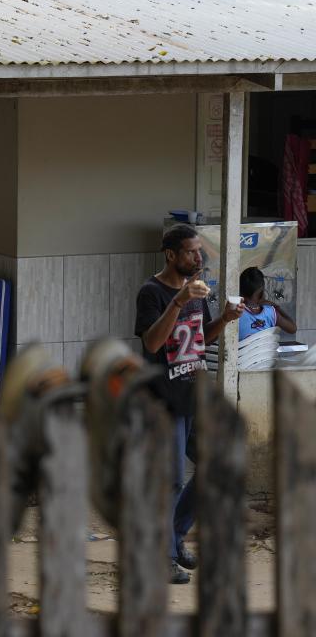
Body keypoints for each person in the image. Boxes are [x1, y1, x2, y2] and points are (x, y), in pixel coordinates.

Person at [134, 224, 243, 585]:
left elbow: (199, 336)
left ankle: (175, 537)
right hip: (164, 400)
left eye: (199, 251)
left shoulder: (196, 290)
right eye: (191, 252)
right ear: (170, 255)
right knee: (171, 481)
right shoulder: (151, 292)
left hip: (194, 394)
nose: (199, 257)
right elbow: (151, 344)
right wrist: (178, 301)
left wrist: (224, 320)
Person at [238, 266, 297, 340]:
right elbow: (293, 328)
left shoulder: (235, 311)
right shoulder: (270, 312)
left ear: (240, 291)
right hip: (265, 351)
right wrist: (276, 307)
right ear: (262, 291)